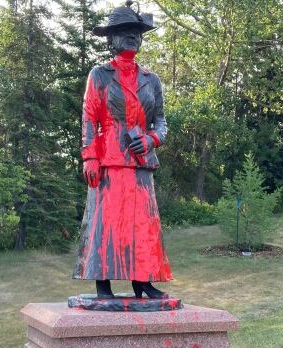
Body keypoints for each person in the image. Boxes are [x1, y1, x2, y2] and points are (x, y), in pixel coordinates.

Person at [72, 1, 172, 300]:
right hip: (110, 159)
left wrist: (153, 139)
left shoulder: (151, 79)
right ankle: (103, 284)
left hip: (140, 160)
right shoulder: (99, 75)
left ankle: (143, 281)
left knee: (143, 222)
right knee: (108, 221)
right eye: (124, 31)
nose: (132, 36)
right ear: (111, 39)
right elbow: (89, 116)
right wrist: (89, 155)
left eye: (136, 31)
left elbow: (162, 121)